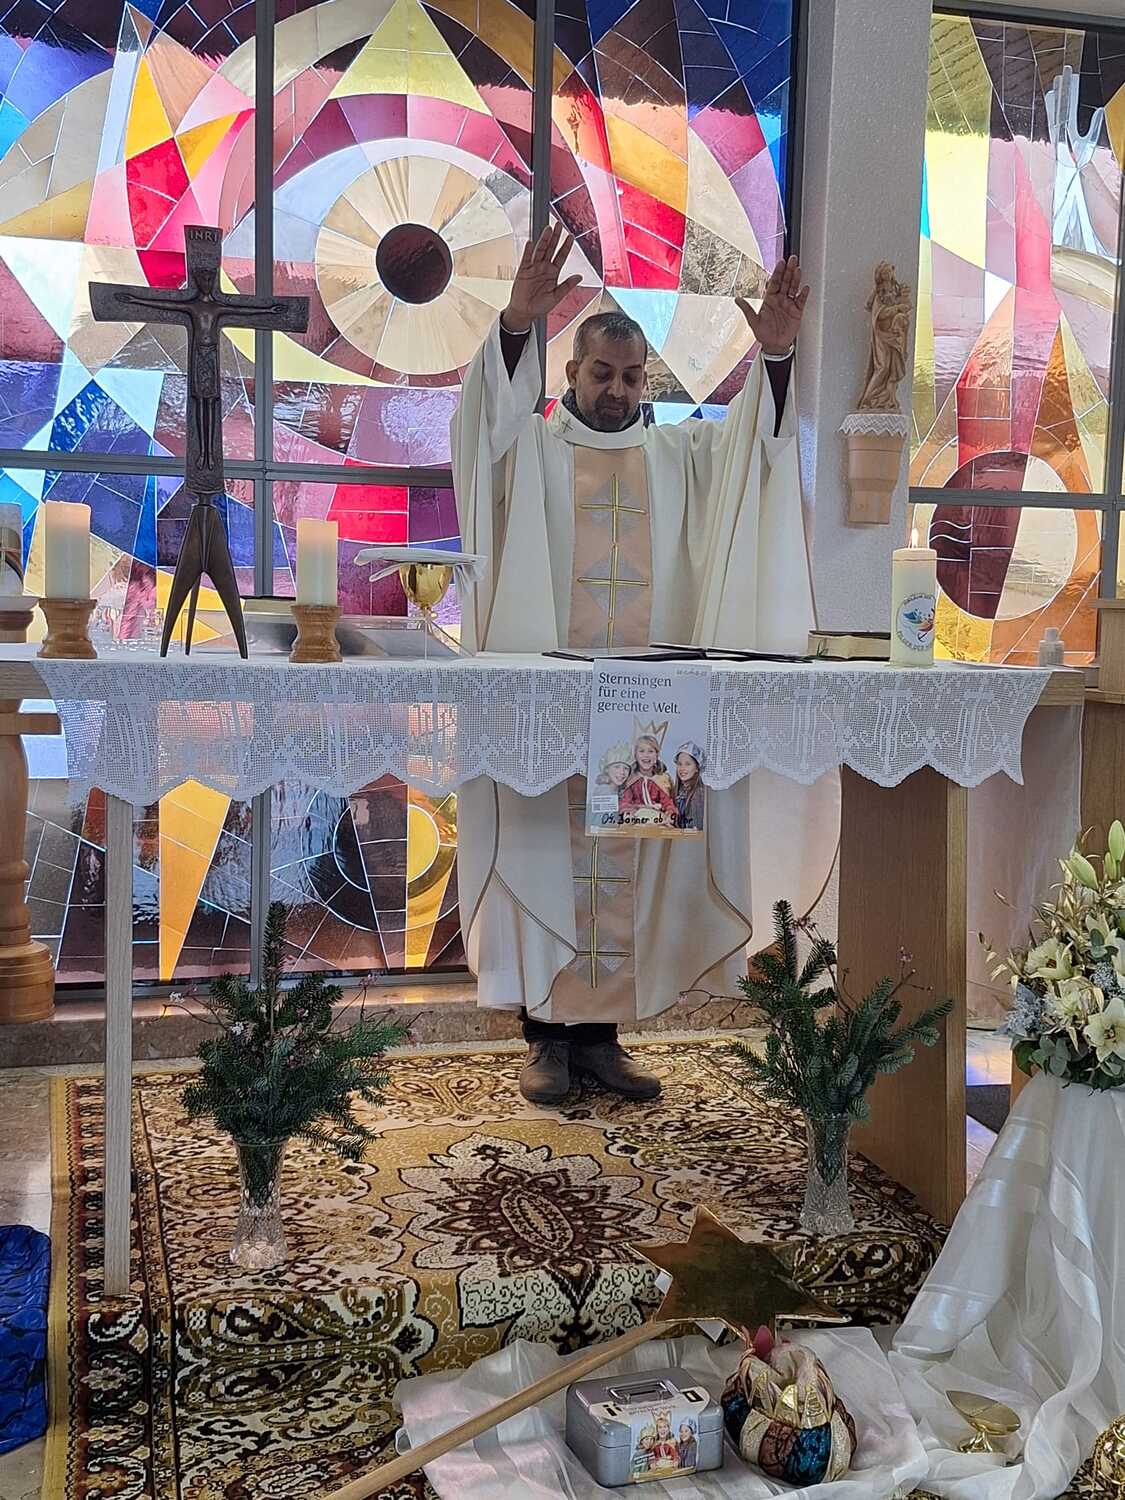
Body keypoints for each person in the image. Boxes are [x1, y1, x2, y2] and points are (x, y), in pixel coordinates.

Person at [452, 222, 836, 1107]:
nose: (617, 390)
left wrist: (775, 356)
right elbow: (482, 429)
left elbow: (753, 451)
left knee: (627, 862)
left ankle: (601, 1040)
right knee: (549, 855)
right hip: (547, 700)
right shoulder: (534, 449)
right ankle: (547, 1040)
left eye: (631, 377)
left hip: (646, 706)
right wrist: (515, 324)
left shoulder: (678, 456)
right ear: (571, 373)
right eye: (601, 373)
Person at [619, 735, 677, 827]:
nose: (646, 755)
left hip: (657, 819)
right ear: (635, 755)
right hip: (637, 818)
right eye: (642, 751)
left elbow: (667, 802)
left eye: (650, 751)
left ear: (656, 756)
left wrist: (670, 813)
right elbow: (625, 802)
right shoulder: (631, 779)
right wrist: (628, 812)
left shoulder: (662, 780)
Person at [672, 744, 706, 832]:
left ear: (697, 768)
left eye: (687, 764)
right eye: (679, 764)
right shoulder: (680, 791)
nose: (682, 768)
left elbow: (697, 828)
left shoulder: (698, 794)